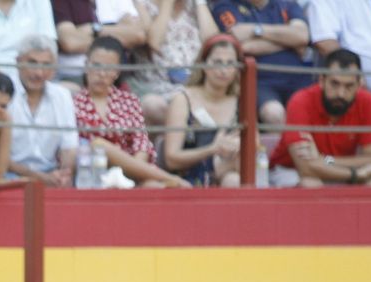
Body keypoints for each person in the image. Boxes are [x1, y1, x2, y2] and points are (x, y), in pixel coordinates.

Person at [73, 34, 190, 186]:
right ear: (86, 65)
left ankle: (164, 180)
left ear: (117, 72)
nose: (101, 74)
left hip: (131, 176)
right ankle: (170, 178)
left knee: (153, 187)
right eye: (96, 66)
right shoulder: (72, 103)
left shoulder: (129, 101)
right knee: (99, 145)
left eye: (109, 68)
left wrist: (132, 172)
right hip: (91, 174)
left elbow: (141, 144)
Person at [268, 46, 371, 186]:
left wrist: (325, 160)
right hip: (291, 170)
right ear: (322, 80)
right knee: (311, 184)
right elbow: (306, 168)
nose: (341, 94)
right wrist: (356, 174)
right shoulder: (300, 101)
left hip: (335, 166)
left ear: (359, 85)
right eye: (334, 84)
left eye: (349, 86)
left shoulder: (367, 101)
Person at [209, 0, 310, 126]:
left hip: (299, 78)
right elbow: (242, 47)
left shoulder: (286, 3)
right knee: (273, 114)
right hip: (260, 82)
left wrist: (256, 30)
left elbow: (302, 36)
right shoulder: (225, 6)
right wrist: (290, 42)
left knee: (309, 112)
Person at [161, 33, 243, 186]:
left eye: (230, 63)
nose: (223, 70)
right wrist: (213, 149)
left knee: (235, 180)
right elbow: (171, 159)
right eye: (217, 62)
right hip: (188, 180)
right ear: (204, 64)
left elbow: (256, 150)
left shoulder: (242, 102)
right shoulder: (183, 99)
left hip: (228, 173)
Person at [7, 34, 77, 184]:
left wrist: (63, 174)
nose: (39, 73)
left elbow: (69, 147)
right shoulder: (4, 92)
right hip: (9, 175)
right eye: (32, 63)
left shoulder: (62, 96)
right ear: (18, 62)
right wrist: (41, 179)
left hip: (51, 174)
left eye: (46, 65)